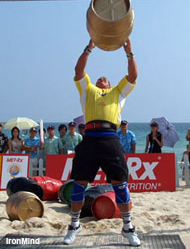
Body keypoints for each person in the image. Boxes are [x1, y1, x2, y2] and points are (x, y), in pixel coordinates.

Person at [63, 38, 140, 246]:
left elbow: (133, 76)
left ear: (109, 84)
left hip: (109, 139)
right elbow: (78, 70)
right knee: (79, 183)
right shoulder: (87, 90)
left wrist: (129, 53)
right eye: (99, 78)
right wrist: (89, 48)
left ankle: (127, 227)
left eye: (105, 79)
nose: (102, 79)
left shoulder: (117, 92)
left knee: (119, 183)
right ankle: (74, 225)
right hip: (89, 139)